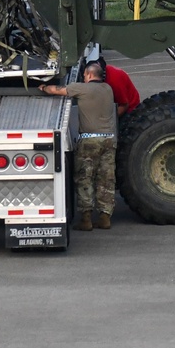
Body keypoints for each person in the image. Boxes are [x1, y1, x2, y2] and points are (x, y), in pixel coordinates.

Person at [40, 62, 117, 231]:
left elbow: (56, 91)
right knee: (106, 179)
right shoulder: (108, 89)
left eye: (84, 76)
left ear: (89, 75)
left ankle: (86, 219)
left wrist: (44, 87)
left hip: (90, 141)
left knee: (85, 178)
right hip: (109, 140)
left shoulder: (82, 89)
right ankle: (105, 217)